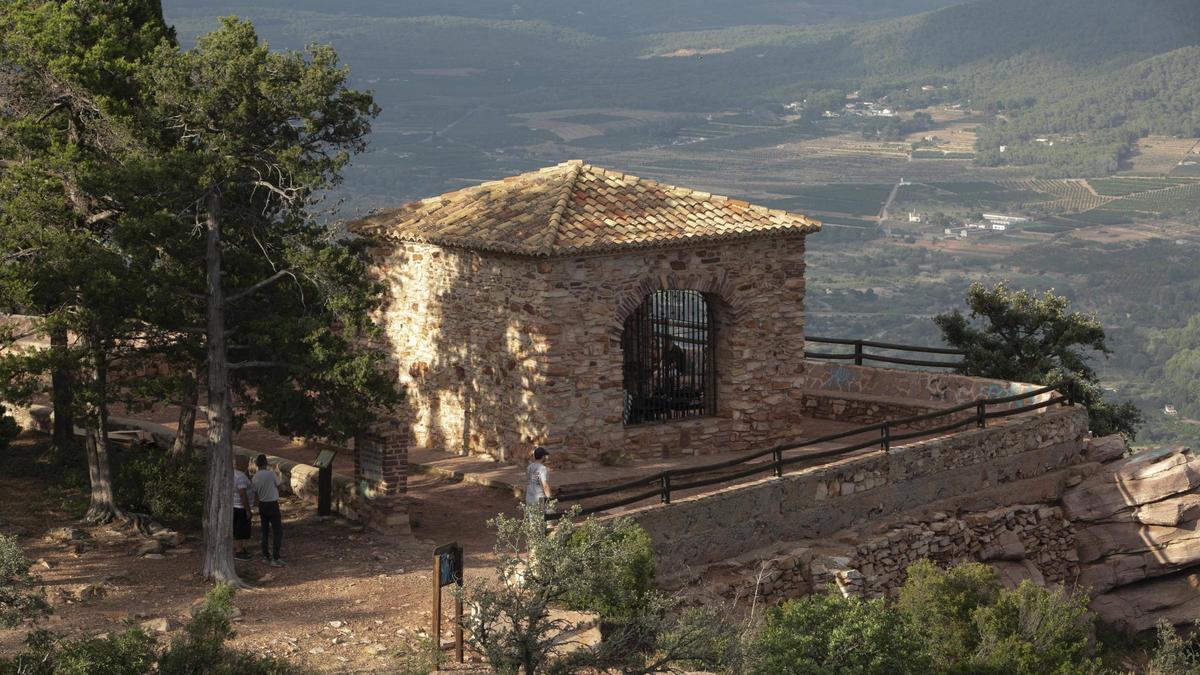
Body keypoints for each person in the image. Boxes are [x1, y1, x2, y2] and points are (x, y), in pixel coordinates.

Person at [251, 454, 285, 567]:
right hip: (272, 504)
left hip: (262, 504)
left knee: (265, 531)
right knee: (277, 531)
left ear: (256, 465)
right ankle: (276, 557)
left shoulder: (255, 477)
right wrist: (278, 473)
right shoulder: (271, 474)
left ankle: (265, 555)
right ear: (266, 463)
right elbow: (280, 486)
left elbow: (255, 493)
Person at [232, 455, 254, 561]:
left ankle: (239, 547)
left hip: (233, 505)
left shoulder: (232, 474)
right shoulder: (240, 476)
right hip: (240, 507)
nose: (248, 465)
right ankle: (239, 551)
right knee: (239, 529)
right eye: (247, 462)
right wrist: (248, 510)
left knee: (236, 528)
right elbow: (242, 494)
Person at [525, 446, 552, 515]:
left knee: (532, 522)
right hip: (539, 498)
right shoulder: (543, 469)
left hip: (529, 496)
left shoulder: (529, 467)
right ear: (543, 457)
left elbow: (528, 481)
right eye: (545, 456)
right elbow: (545, 485)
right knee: (541, 520)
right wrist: (549, 498)